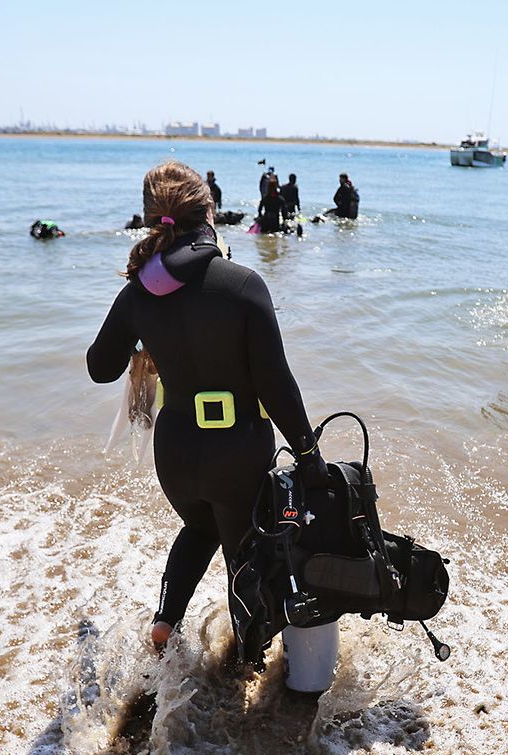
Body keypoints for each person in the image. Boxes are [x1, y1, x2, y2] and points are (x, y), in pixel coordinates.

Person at [87, 161, 328, 650]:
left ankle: (164, 624)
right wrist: (309, 456)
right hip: (237, 454)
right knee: (245, 556)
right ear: (209, 212)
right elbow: (276, 385)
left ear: (153, 218)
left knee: (199, 527)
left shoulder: (138, 291)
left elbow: (100, 367)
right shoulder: (242, 284)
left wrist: (142, 336)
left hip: (176, 455)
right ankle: (245, 662)